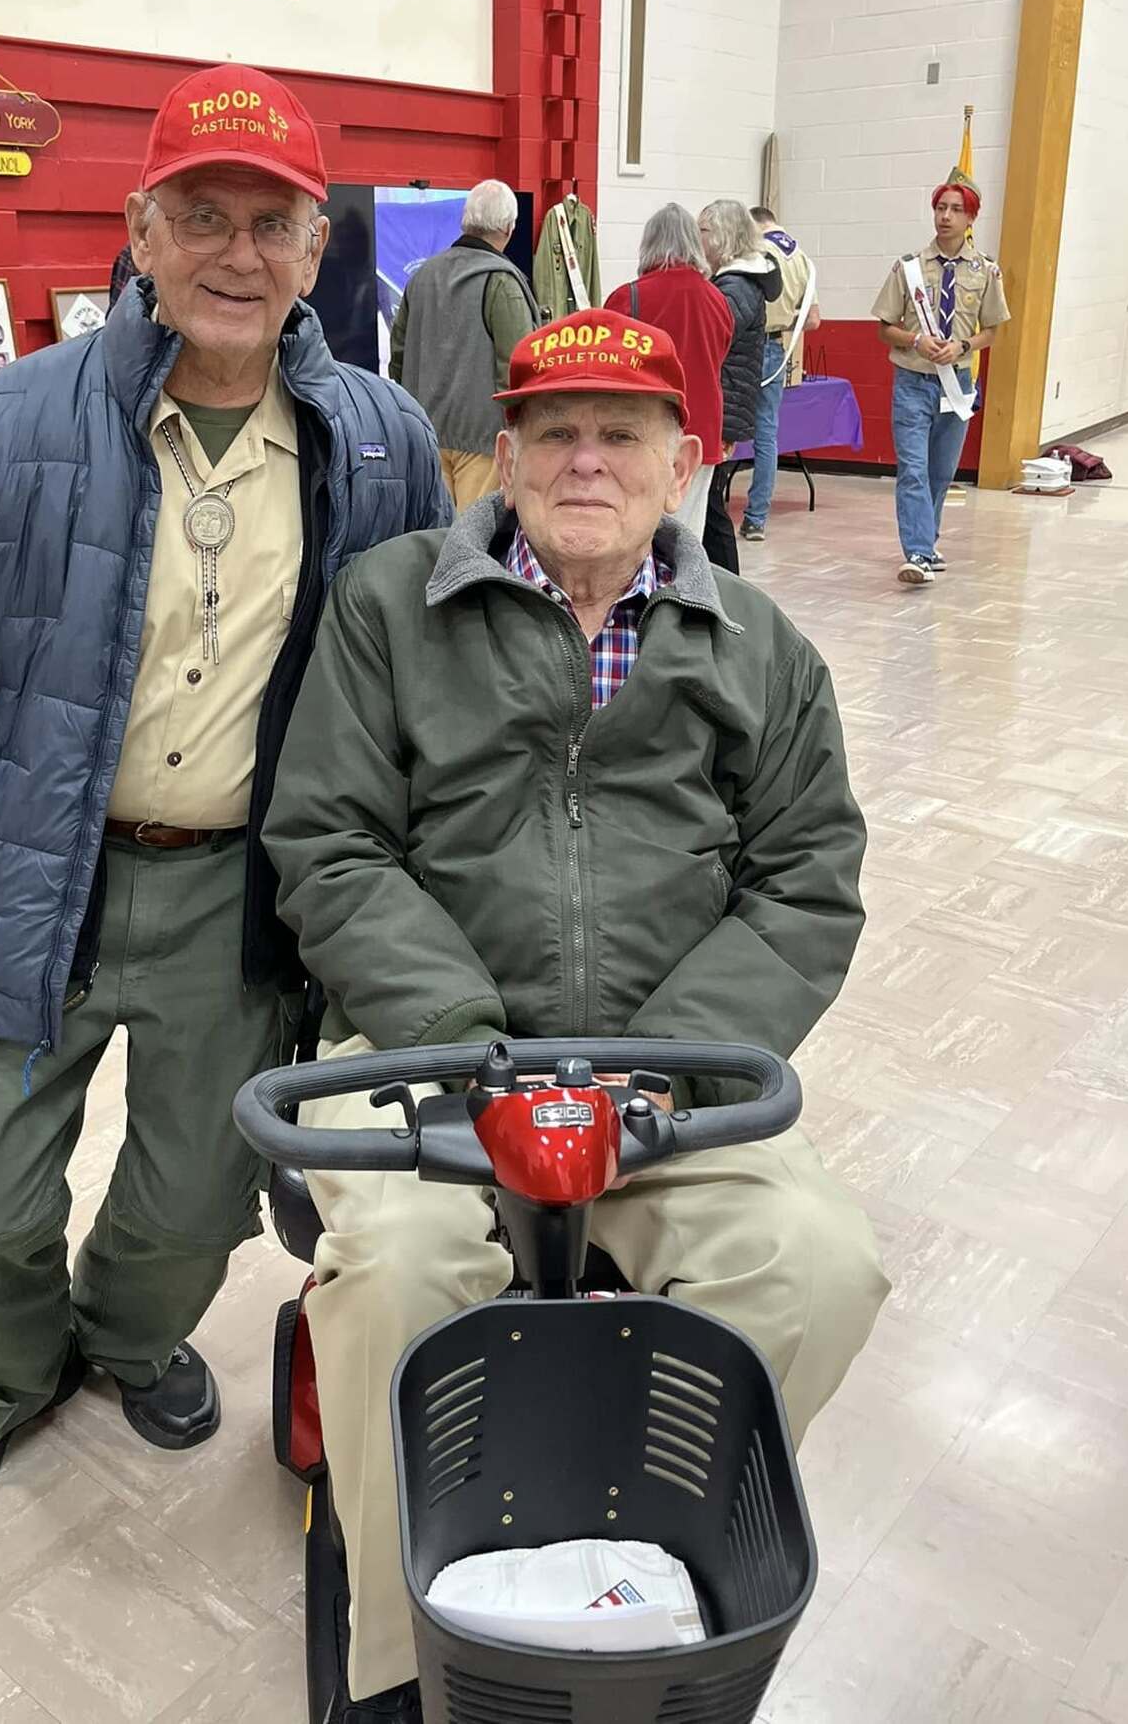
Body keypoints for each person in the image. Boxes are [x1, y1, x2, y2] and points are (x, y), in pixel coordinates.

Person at [0, 62, 449, 1528]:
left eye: (272, 224)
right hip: (28, 877)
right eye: (203, 215)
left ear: (317, 251)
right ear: (141, 230)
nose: (238, 253)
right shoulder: (15, 422)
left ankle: (125, 1333)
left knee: (191, 1209)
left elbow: (423, 704)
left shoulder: (381, 444)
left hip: (241, 900)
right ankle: (7, 1375)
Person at [265, 309, 887, 1722]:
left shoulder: (763, 649)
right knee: (405, 1273)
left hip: (675, 1067)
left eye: (622, 433)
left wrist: (658, 1085)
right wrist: (472, 1056)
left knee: (812, 1265)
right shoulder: (389, 604)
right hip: (426, 1051)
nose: (586, 459)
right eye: (555, 430)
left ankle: (648, 1573)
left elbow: (806, 881)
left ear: (685, 464)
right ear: (506, 454)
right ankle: (395, 1662)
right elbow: (332, 843)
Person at [872, 170, 1010, 586]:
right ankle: (915, 551)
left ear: (971, 219)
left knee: (940, 473)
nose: (945, 216)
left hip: (958, 385)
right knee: (912, 468)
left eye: (956, 209)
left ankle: (926, 542)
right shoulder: (909, 268)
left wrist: (963, 347)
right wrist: (915, 339)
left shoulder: (986, 271)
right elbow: (884, 327)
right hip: (913, 380)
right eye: (940, 207)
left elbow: (993, 330)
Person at [388, 178, 541, 510]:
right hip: (483, 441)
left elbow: (397, 359)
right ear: (508, 227)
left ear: (465, 220)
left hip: (425, 435)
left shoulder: (422, 277)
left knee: (435, 540)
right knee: (475, 540)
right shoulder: (502, 282)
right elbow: (518, 368)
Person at [605, 202, 731, 537]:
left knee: (637, 526)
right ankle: (686, 589)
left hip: (644, 428)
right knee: (690, 531)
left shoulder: (627, 298)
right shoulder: (718, 299)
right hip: (702, 430)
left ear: (648, 242)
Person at [697, 200, 781, 575]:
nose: (697, 239)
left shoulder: (735, 287)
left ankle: (727, 587)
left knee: (711, 506)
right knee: (711, 503)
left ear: (722, 237)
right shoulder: (738, 282)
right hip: (728, 400)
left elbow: (712, 338)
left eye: (702, 231)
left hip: (723, 403)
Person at [743, 208, 820, 543]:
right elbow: (813, 320)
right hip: (776, 348)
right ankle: (756, 518)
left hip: (743, 344)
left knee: (721, 423)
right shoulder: (801, 257)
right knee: (767, 433)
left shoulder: (753, 249)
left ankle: (708, 508)